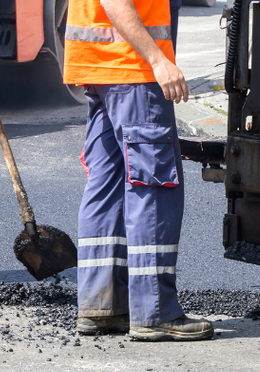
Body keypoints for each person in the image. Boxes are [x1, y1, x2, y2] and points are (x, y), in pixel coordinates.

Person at [63, 0, 214, 341]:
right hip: (133, 69)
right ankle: (155, 312)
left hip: (102, 69)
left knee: (108, 186)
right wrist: (159, 61)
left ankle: (103, 306)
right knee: (153, 186)